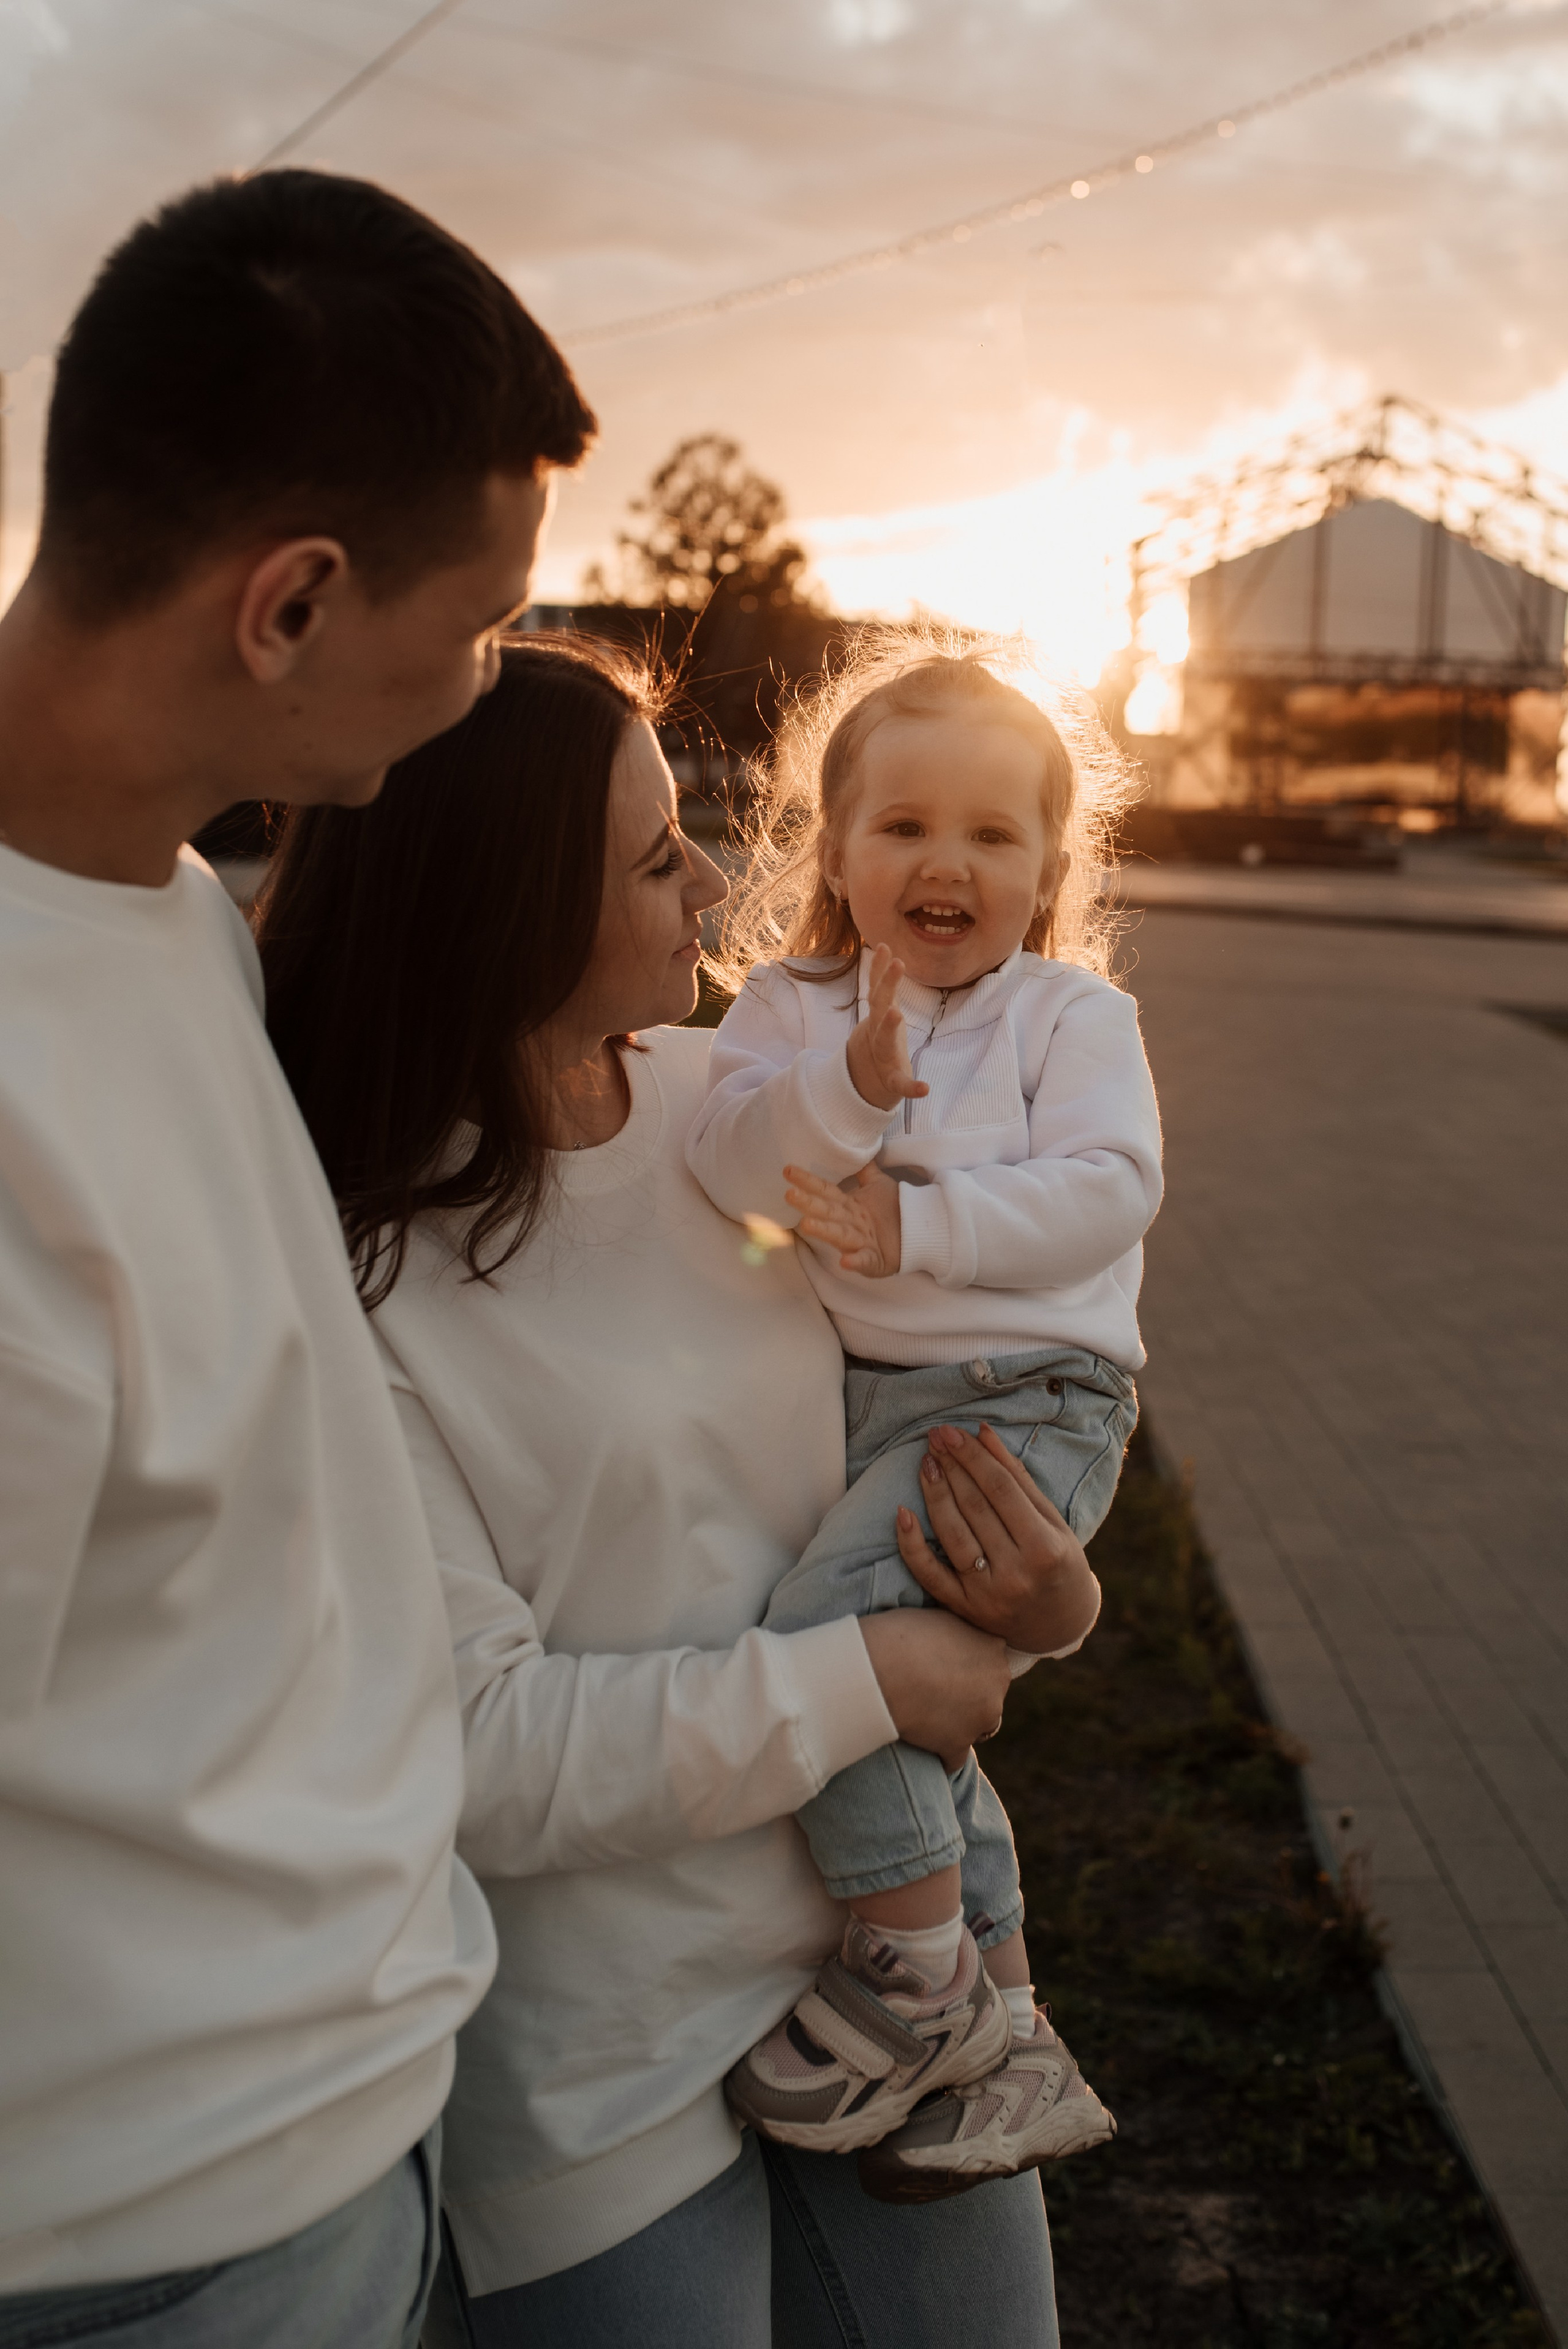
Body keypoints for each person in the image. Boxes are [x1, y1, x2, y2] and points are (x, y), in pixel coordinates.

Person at [255, 636, 1103, 2347]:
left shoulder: (740, 1108)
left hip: (894, 1981)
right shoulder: (351, 1278)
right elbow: (476, 1756)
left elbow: (937, 1415)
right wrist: (867, 1681)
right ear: (498, 911)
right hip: (598, 2056)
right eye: (655, 855)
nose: (715, 875)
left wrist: (1049, 1604)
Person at [0, 169, 594, 2347]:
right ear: (291, 604)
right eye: (482, 624)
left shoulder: (157, 907)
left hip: (332, 2137)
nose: (485, 685)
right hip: (154, 2253)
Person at [686, 638, 1163, 2198]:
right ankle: (1007, 2025)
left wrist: (919, 1229)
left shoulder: (1067, 1018)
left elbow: (1110, 1190)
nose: (942, 862)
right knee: (897, 1697)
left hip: (1028, 1395)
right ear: (831, 850)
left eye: (990, 833)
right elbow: (733, 1166)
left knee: (834, 1648)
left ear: (1045, 866)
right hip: (878, 1403)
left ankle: (910, 1970)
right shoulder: (786, 1002)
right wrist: (845, 1085)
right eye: (900, 827)